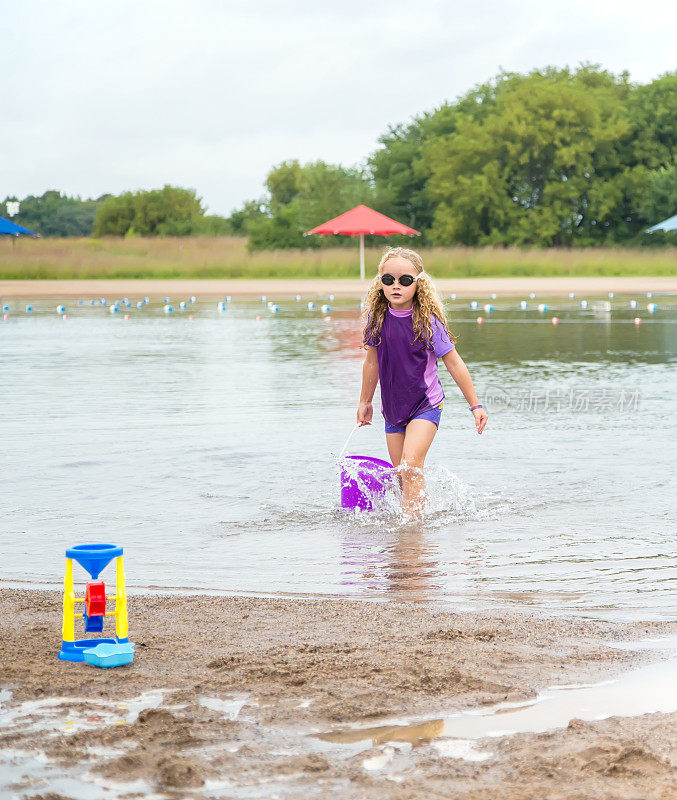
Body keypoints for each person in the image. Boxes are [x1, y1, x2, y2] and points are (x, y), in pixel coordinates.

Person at [357, 247, 488, 518]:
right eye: (388, 279)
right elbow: (372, 362)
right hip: (392, 409)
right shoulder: (376, 320)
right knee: (401, 475)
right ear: (379, 282)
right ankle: (415, 526)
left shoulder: (427, 321)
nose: (396, 286)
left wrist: (475, 405)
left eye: (405, 280)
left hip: (425, 404)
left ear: (418, 283)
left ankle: (412, 531)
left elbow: (454, 363)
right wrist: (365, 401)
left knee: (411, 464)